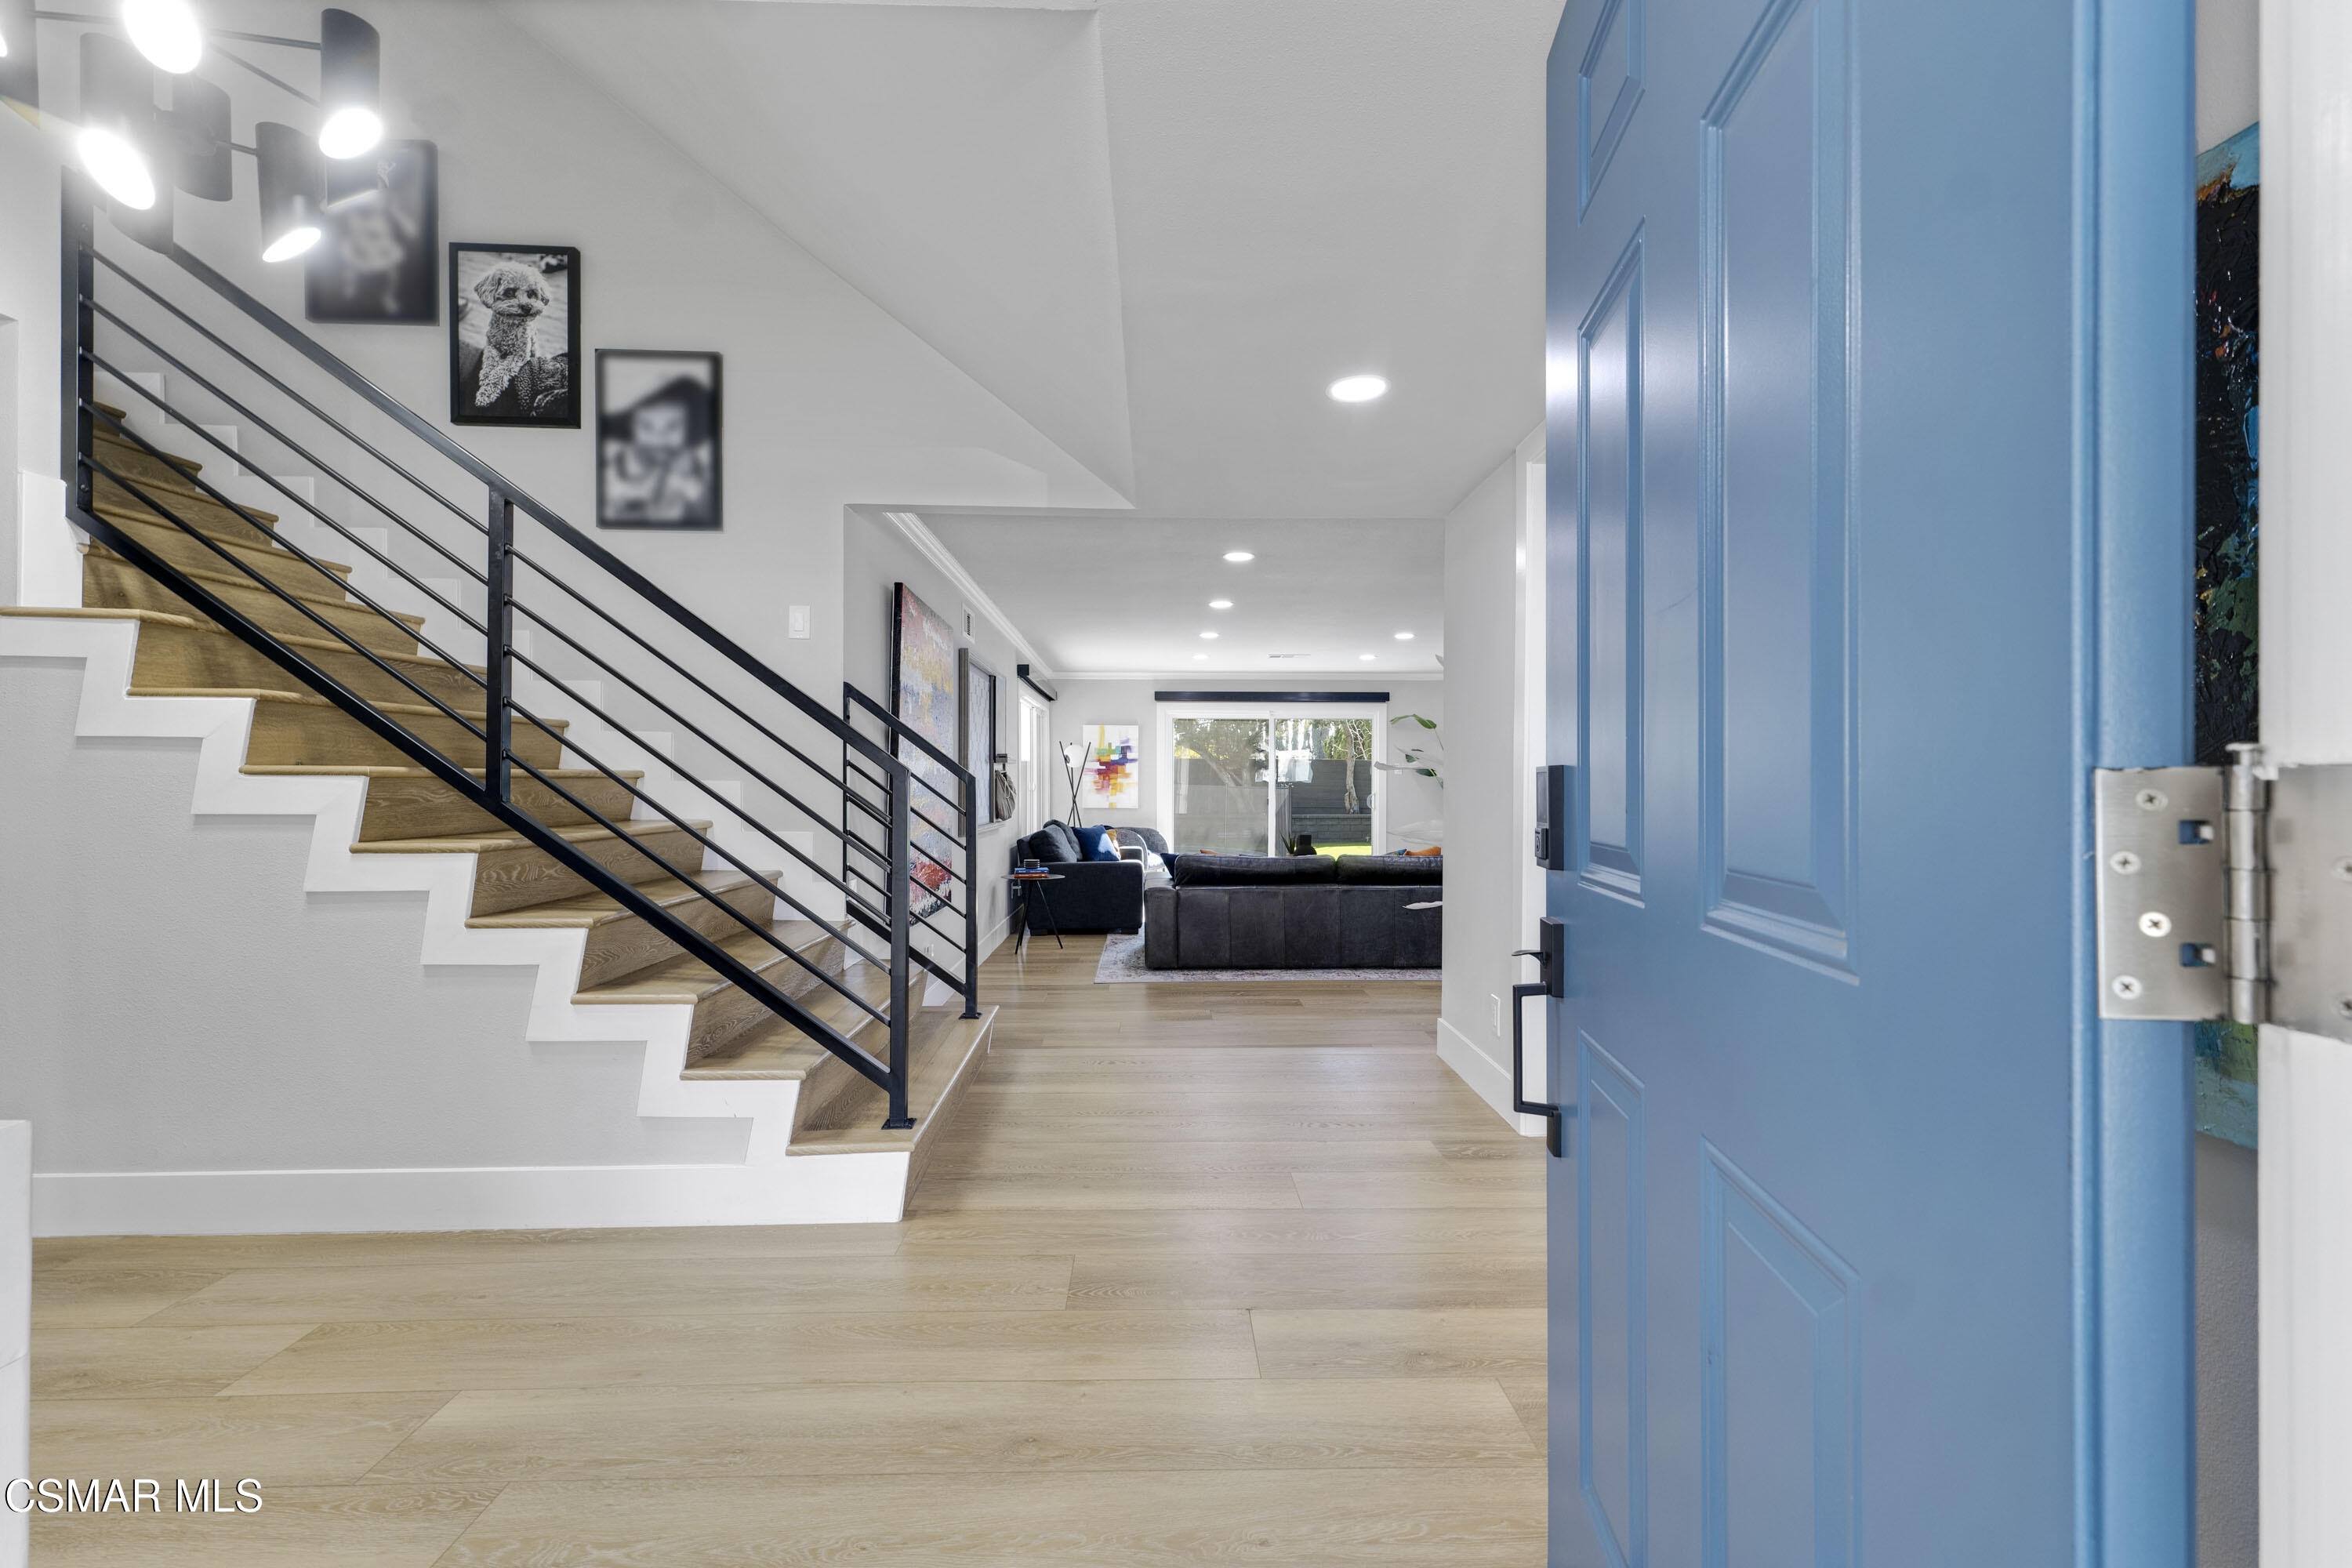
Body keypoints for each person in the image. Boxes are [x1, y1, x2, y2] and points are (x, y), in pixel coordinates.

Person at [599, 375, 717, 525]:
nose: (659, 439)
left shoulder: (698, 474)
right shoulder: (609, 472)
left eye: (672, 426)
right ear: (631, 426)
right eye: (647, 426)